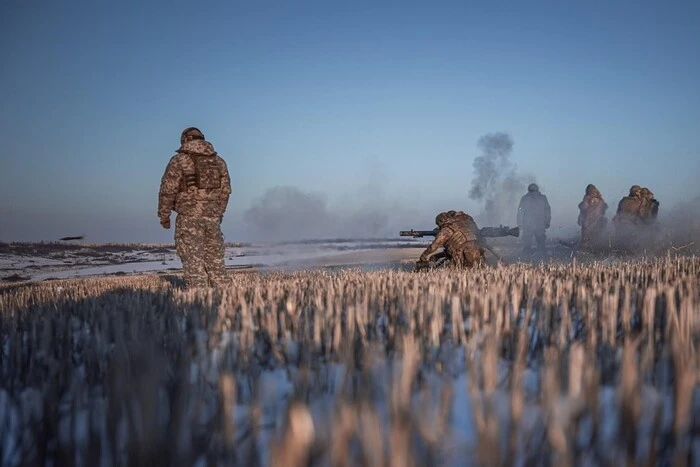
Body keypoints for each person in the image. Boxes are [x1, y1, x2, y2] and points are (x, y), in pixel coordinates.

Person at [158, 127, 232, 288]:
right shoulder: (218, 162)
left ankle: (200, 302)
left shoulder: (179, 160)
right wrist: (218, 213)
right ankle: (227, 301)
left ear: (185, 140)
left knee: (193, 262)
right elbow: (225, 191)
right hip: (212, 219)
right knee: (216, 263)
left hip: (189, 218)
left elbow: (167, 190)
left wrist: (164, 215)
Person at [417, 211, 484, 269]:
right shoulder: (461, 224)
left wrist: (424, 256)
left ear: (440, 222)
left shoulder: (446, 230)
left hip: (462, 254)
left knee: (456, 272)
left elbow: (434, 246)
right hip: (476, 251)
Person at [517, 183, 551, 254]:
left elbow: (520, 212)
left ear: (529, 190)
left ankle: (525, 261)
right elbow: (547, 210)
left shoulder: (524, 198)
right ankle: (542, 260)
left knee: (527, 245)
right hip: (540, 224)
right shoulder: (543, 198)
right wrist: (547, 222)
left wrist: (520, 224)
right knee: (541, 245)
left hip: (527, 225)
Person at [612, 185, 644, 252]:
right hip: (631, 226)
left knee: (620, 245)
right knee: (631, 246)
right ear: (637, 193)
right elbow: (641, 215)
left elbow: (618, 212)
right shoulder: (639, 202)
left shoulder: (623, 200)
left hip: (620, 225)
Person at [577, 184, 608, 251]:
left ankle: (585, 253)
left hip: (587, 222)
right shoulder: (601, 200)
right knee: (596, 239)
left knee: (586, 240)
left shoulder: (587, 198)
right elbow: (604, 209)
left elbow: (583, 208)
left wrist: (580, 218)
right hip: (598, 222)